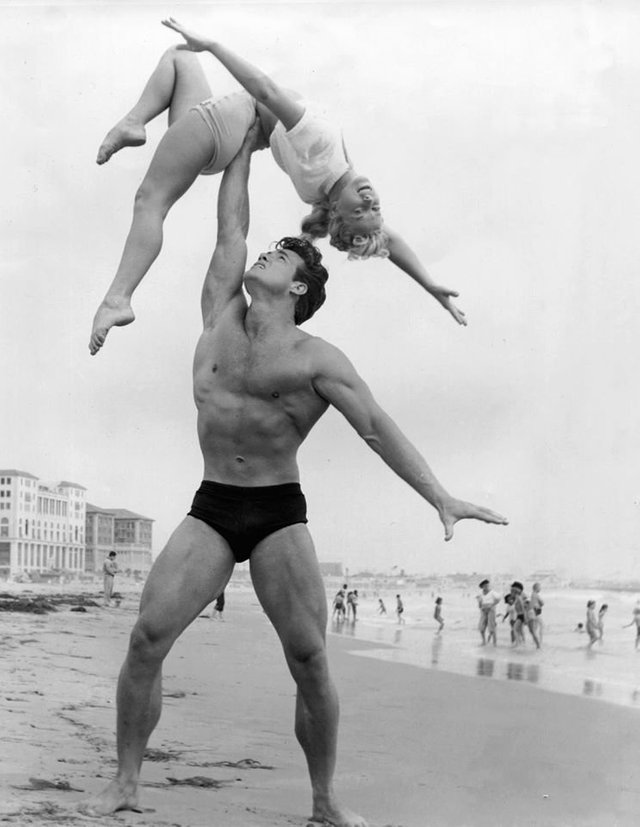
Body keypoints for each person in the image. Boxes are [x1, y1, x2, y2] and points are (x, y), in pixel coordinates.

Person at [80, 123, 506, 825]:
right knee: (146, 638)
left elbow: (376, 427)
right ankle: (126, 780)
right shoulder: (220, 313)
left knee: (309, 660)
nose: (266, 252)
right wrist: (245, 144)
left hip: (277, 513)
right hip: (213, 507)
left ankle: (324, 800)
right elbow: (232, 223)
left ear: (300, 285)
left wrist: (443, 497)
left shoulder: (318, 360)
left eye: (282, 255)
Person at [88, 18, 465, 355]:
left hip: (233, 119)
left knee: (150, 201)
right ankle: (133, 121)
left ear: (337, 212)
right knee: (179, 60)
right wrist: (430, 285)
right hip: (228, 132)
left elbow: (265, 90)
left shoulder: (321, 149)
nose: (369, 201)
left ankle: (117, 298)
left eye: (360, 211)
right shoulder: (331, 184)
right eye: (375, 209)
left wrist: (214, 46)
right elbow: (389, 241)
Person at [476, 579, 500, 646]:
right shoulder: (480, 593)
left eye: (487, 586)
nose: (486, 587)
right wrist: (480, 605)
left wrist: (492, 605)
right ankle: (484, 641)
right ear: (482, 587)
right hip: (483, 610)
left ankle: (494, 642)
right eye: (484, 586)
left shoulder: (492, 592)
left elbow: (498, 599)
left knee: (491, 627)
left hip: (491, 609)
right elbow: (479, 603)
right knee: (481, 627)